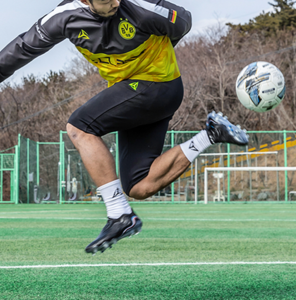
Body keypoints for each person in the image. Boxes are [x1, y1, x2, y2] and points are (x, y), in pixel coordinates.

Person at [0, 0, 248, 254]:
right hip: (138, 94)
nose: (115, 3)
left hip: (158, 85)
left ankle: (120, 216)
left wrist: (160, 48)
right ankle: (211, 133)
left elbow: (183, 21)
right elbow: (22, 48)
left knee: (79, 127)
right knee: (139, 186)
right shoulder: (64, 17)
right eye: (106, 0)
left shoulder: (138, 6)